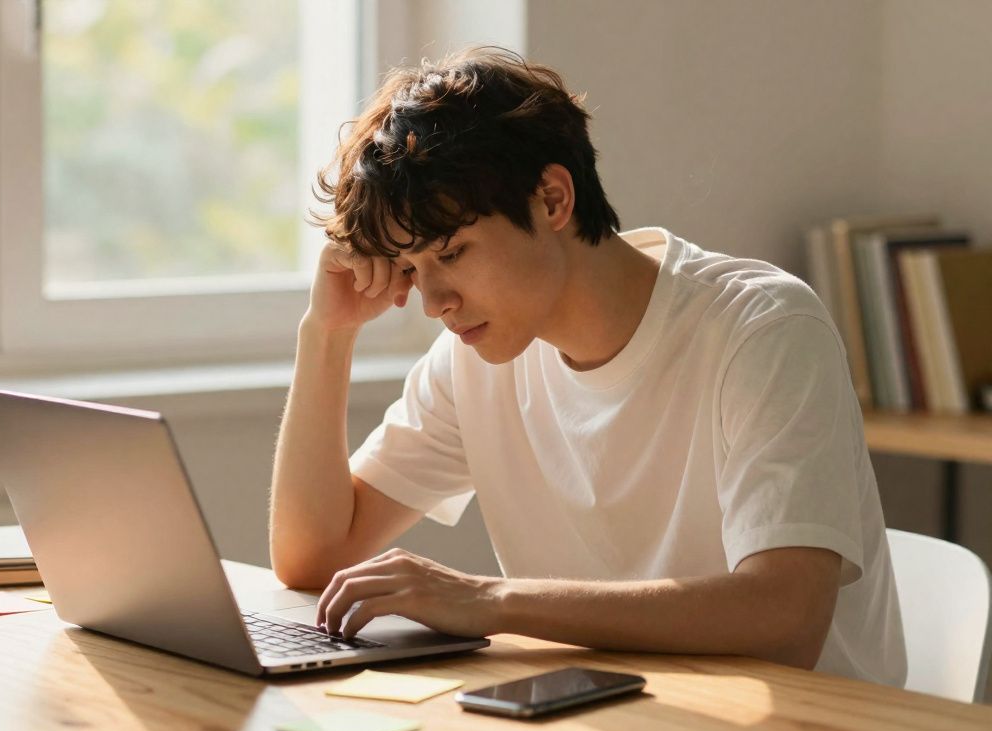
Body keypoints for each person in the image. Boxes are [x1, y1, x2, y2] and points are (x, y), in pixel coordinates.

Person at [267, 47, 904, 685]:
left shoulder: (762, 329)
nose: (433, 303)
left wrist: (488, 601)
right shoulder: (475, 358)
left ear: (552, 199)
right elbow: (311, 556)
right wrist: (326, 334)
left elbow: (786, 621)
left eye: (453, 252)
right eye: (411, 270)